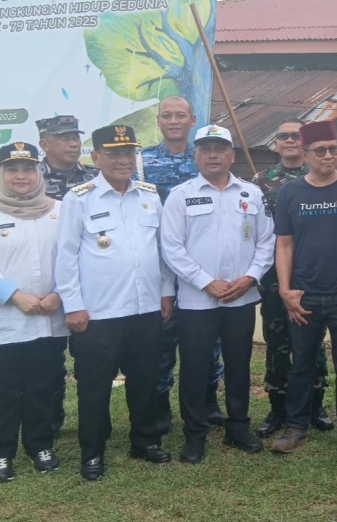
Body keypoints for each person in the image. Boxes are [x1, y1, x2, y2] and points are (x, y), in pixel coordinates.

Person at [55, 125, 175, 481]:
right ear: (96, 158)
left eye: (129, 153)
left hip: (145, 309)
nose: (124, 160)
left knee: (145, 380)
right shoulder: (80, 198)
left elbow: (161, 251)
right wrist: (73, 305)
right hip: (99, 312)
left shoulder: (150, 195)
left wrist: (166, 291)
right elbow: (65, 257)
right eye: (114, 153)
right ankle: (92, 451)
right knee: (94, 386)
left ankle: (145, 440)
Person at [161, 125, 274, 463]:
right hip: (198, 300)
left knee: (239, 365)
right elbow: (171, 247)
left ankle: (238, 426)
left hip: (240, 297)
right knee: (194, 368)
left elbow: (267, 240)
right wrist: (204, 281)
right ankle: (195, 434)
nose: (213, 154)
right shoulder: (180, 195)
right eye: (206, 148)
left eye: (220, 148)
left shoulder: (252, 194)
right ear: (195, 155)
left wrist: (251, 277)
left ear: (232, 156)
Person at [269, 120, 337, 464]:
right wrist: (285, 290)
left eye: (334, 149)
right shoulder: (290, 192)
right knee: (300, 366)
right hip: (304, 296)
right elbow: (284, 244)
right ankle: (296, 428)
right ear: (305, 155)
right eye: (320, 151)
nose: (329, 156)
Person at [142, 96, 225, 434]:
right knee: (161, 337)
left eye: (180, 115)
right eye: (167, 115)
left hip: (203, 267)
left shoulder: (206, 157)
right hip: (157, 266)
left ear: (192, 120)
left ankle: (208, 399)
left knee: (209, 339)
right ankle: (160, 405)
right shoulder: (141, 162)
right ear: (158, 121)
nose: (173, 121)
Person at [252, 120, 333, 438]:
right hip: (274, 272)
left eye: (295, 136)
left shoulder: (319, 176)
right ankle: (277, 407)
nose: (289, 140)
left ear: (305, 142)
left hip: (312, 270)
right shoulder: (260, 181)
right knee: (277, 341)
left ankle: (316, 404)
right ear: (275, 144)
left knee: (313, 340)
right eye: (282, 135)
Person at [0, 143, 66, 482]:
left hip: (49, 318)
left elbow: (74, 258)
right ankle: (2, 452)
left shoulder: (60, 210)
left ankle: (41, 445)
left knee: (44, 385)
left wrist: (60, 294)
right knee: (5, 389)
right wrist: (13, 295)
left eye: (28, 169)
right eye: (12, 169)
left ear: (39, 172)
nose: (21, 176)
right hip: (7, 322)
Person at [35, 114, 96, 436]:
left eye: (75, 136)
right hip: (42, 281)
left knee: (88, 356)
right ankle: (50, 420)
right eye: (63, 137)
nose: (73, 143)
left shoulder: (95, 178)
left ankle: (91, 417)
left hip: (90, 284)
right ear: (44, 143)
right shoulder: (29, 178)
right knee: (47, 359)